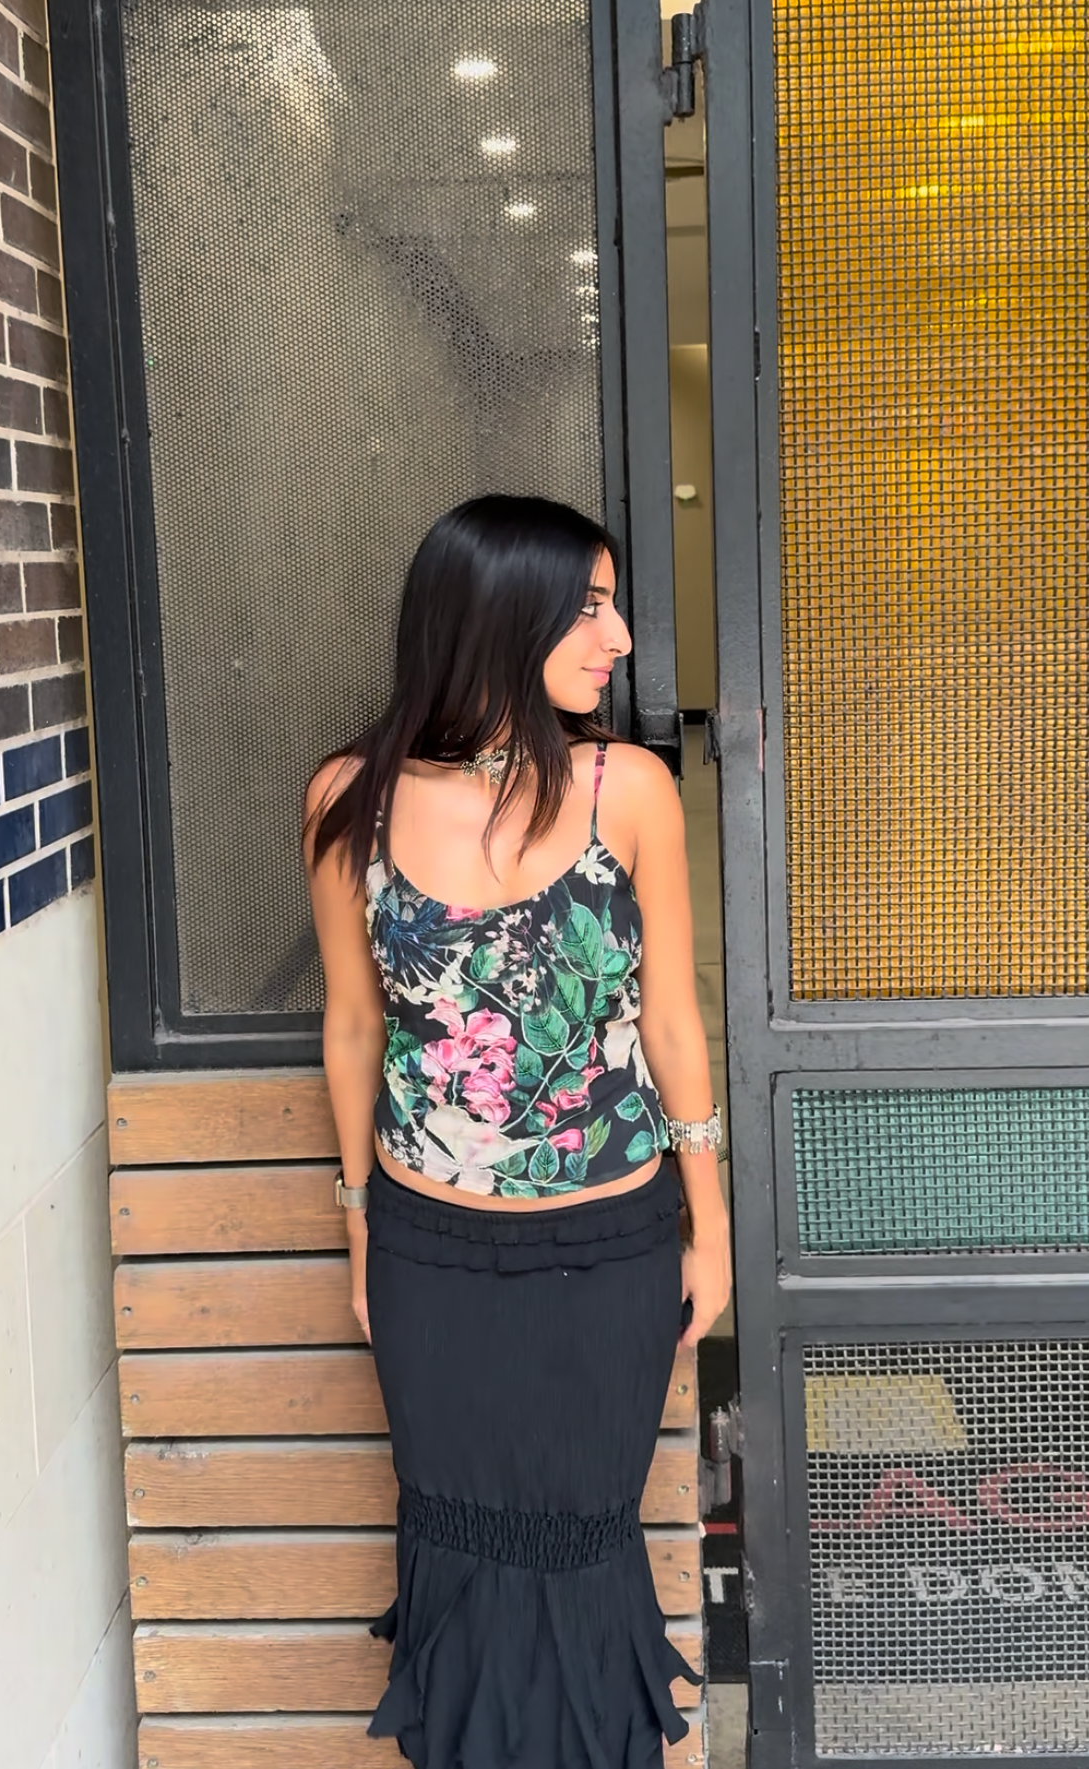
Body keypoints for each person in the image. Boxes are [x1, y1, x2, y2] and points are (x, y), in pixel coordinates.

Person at [302, 493, 732, 1769]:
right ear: (499, 615)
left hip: (606, 1252)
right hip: (431, 1256)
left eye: (613, 604)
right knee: (454, 1538)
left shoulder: (628, 789)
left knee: (583, 1540)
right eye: (589, 607)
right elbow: (352, 1028)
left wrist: (710, 1227)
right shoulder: (348, 798)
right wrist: (359, 1226)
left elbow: (672, 1023)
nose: (620, 638)